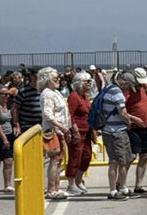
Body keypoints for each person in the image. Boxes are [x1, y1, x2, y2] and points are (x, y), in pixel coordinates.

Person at [102, 71, 146, 200]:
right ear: (124, 83)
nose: (128, 90)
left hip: (112, 130)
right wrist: (131, 122)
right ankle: (113, 191)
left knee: (123, 160)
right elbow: (123, 113)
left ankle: (123, 187)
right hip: (115, 131)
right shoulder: (117, 93)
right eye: (128, 87)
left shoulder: (109, 88)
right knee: (115, 162)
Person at [38, 67, 74, 200]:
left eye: (58, 77)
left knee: (58, 160)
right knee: (55, 160)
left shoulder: (55, 92)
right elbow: (48, 115)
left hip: (60, 130)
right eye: (55, 78)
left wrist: (66, 129)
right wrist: (63, 128)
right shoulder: (48, 94)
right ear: (47, 80)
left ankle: (56, 188)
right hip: (54, 131)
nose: (58, 79)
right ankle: (51, 189)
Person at [124, 68, 147, 195]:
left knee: (145, 155)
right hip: (132, 127)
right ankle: (121, 183)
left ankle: (139, 184)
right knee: (131, 156)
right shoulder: (128, 90)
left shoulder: (145, 87)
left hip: (144, 126)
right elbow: (121, 109)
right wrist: (134, 119)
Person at [65, 72, 93, 195]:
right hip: (77, 132)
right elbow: (70, 115)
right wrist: (75, 131)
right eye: (87, 81)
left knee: (87, 156)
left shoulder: (85, 96)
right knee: (75, 157)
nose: (90, 83)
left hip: (87, 131)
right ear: (80, 83)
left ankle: (78, 180)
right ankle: (71, 184)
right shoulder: (74, 96)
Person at [12, 67, 42, 138]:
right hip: (27, 126)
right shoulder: (23, 91)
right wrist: (17, 126)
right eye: (36, 76)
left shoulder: (44, 90)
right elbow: (15, 109)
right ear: (31, 76)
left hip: (42, 126)